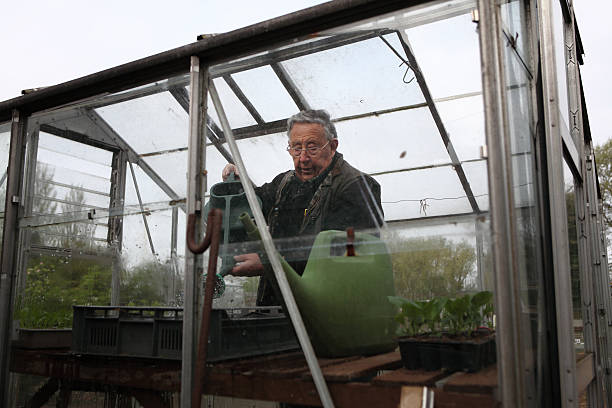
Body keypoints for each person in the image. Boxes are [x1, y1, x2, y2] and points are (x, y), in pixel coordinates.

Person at [222, 109, 384, 305]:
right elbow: (255, 205)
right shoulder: (285, 183)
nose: (303, 158)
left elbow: (349, 253)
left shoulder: (356, 187)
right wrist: (239, 184)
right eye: (296, 148)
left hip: (327, 312)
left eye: (312, 147)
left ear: (332, 146)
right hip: (277, 307)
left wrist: (271, 263)